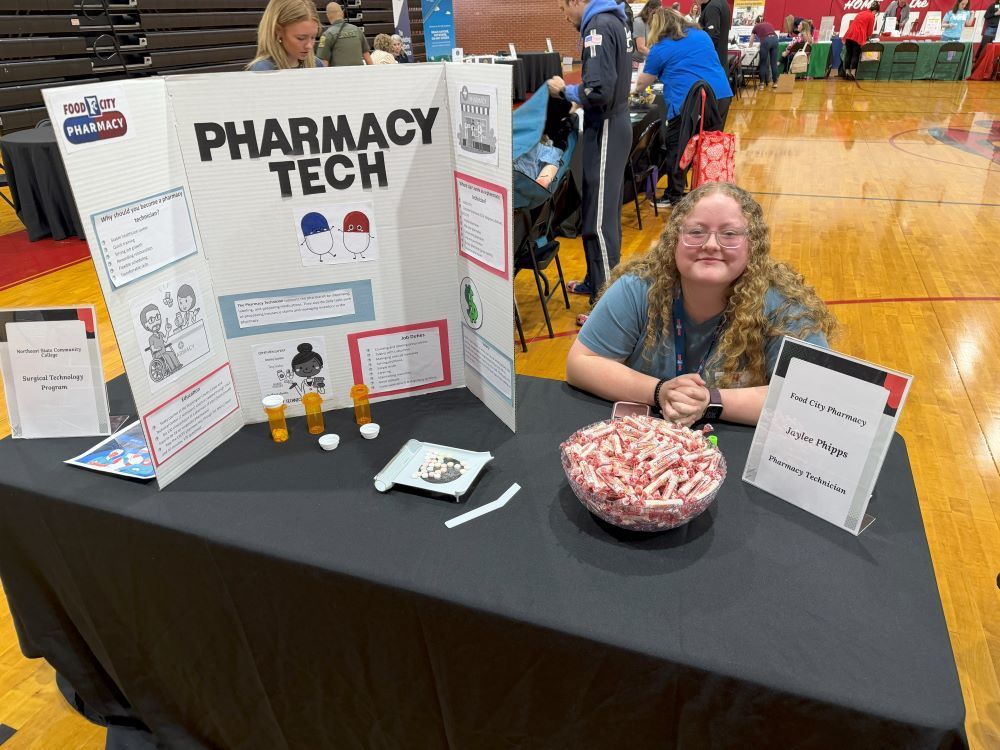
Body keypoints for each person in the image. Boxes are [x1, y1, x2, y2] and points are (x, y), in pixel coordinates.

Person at [566, 182, 836, 426]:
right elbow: (581, 363)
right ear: (674, 239)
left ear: (753, 244)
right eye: (696, 232)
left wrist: (710, 400)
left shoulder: (784, 305)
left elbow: (812, 400)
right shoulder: (639, 288)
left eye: (729, 234)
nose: (710, 244)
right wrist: (660, 391)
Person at [546, 0, 632, 303]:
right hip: (609, 125)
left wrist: (565, 91)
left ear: (577, 2)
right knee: (597, 211)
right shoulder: (611, 21)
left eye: (563, 8)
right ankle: (596, 280)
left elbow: (599, 90)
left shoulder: (598, 26)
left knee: (600, 220)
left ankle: (606, 304)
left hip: (607, 126)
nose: (564, 16)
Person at [635, 8, 732, 208]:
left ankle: (675, 195)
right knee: (708, 146)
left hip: (689, 103)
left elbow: (641, 84)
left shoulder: (660, 48)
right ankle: (706, 192)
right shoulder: (702, 35)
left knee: (677, 148)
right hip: (720, 95)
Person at [247, 0, 323, 70]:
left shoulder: (317, 64)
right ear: (278, 31)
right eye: (301, 38)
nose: (309, 46)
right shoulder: (263, 69)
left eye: (313, 37)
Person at [317, 2, 372, 67]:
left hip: (339, 76)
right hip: (359, 75)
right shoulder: (357, 30)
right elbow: (368, 60)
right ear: (342, 13)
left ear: (327, 16)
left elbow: (323, 65)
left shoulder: (327, 35)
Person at [842, 1, 879, 78]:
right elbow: (869, 31)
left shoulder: (861, 13)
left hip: (849, 34)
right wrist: (868, 37)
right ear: (875, 11)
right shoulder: (871, 16)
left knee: (849, 53)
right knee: (855, 54)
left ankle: (847, 72)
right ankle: (853, 73)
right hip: (858, 36)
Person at [699, 0, 732, 71]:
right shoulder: (722, 3)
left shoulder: (712, 7)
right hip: (720, 59)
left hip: (712, 61)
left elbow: (713, 35)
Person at [751, 14, 780, 88]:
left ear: (756, 22)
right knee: (773, 63)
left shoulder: (756, 26)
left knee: (763, 63)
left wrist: (749, 47)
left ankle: (762, 84)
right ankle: (775, 82)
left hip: (766, 42)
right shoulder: (769, 24)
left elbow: (751, 40)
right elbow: (769, 35)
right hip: (775, 40)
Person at [633, 0, 662, 68]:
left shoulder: (651, 22)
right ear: (650, 10)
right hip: (637, 63)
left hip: (646, 60)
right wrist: (657, 57)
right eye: (657, 12)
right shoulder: (639, 22)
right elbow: (641, 48)